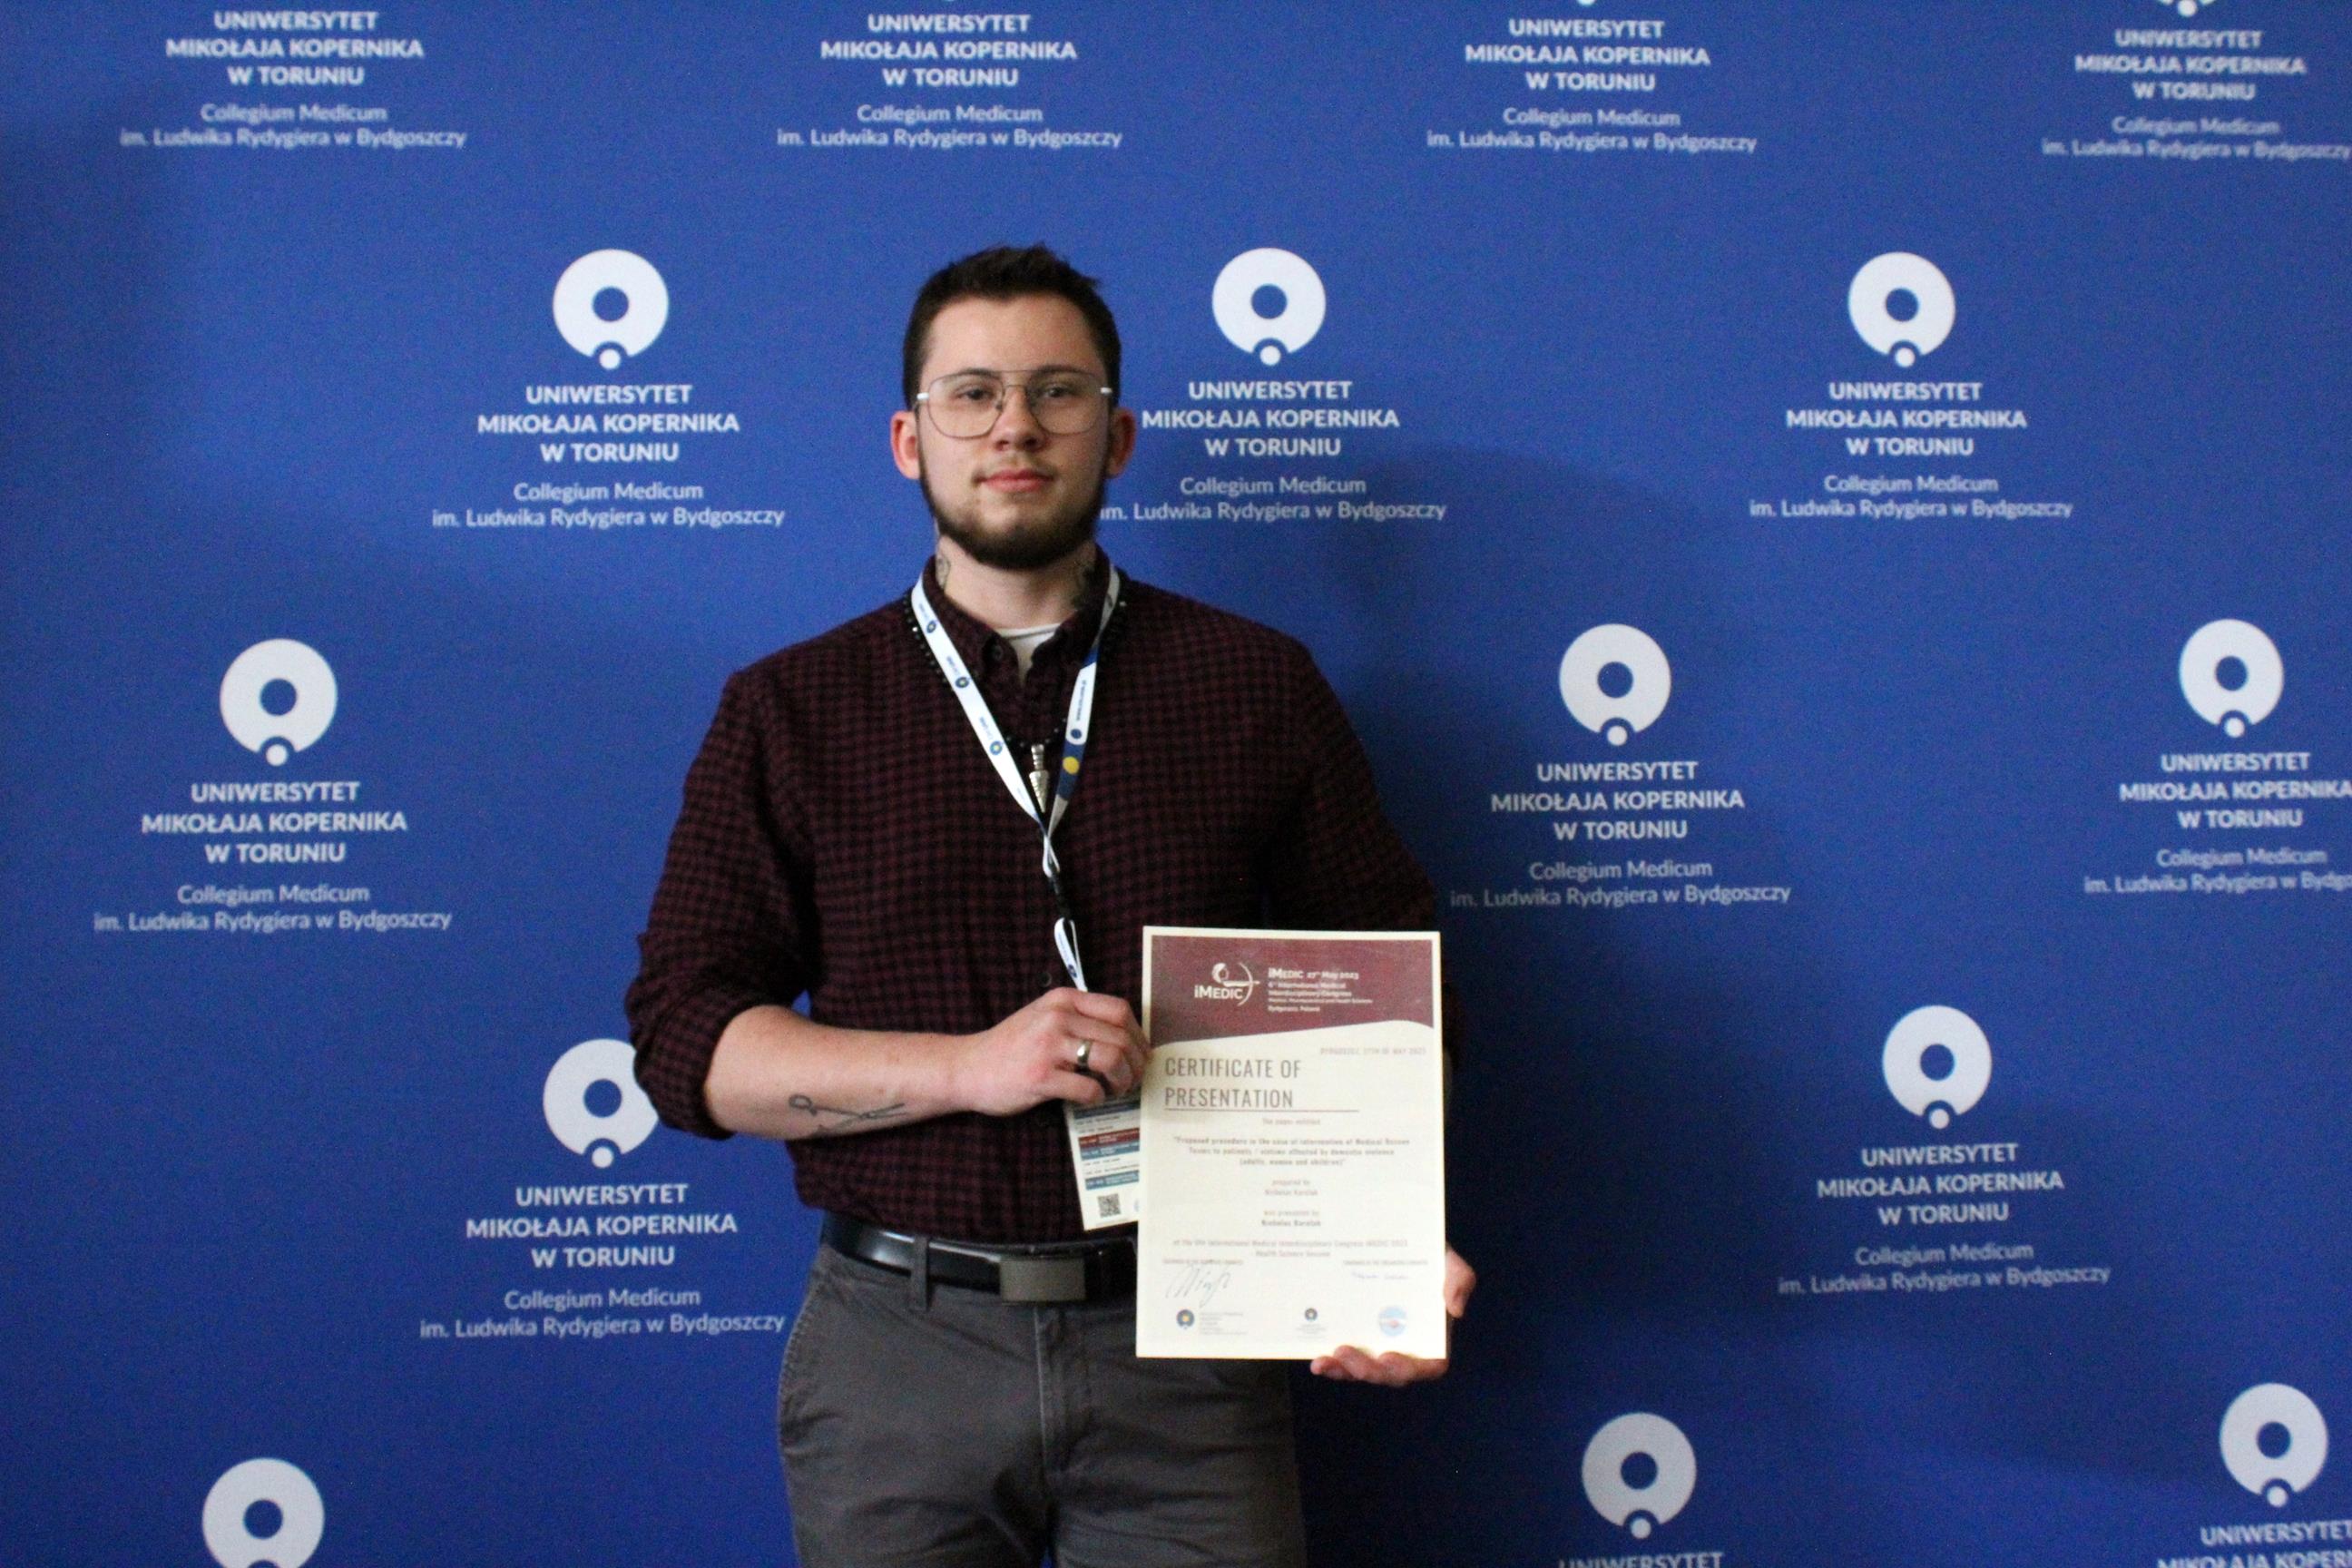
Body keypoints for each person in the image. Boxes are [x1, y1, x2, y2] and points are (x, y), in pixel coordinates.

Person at [626, 244, 1473, 1567]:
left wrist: (1377, 1240)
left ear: (1117, 436)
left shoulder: (1257, 685)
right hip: (898, 1349)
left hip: (1190, 1355)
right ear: (910, 440)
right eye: (972, 394)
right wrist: (972, 1068)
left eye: (1058, 392)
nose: (1014, 425)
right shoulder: (790, 711)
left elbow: (1396, 1000)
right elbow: (687, 1048)